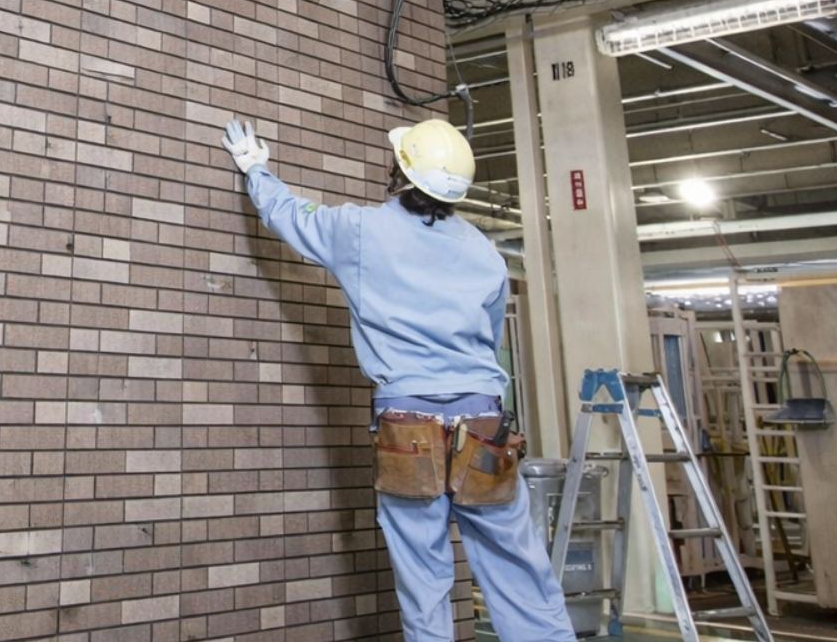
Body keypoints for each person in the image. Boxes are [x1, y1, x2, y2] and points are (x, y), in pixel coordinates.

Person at [221, 117, 574, 642]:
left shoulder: (360, 231)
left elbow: (290, 215)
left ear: (400, 172)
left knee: (422, 572)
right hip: (483, 422)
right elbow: (490, 334)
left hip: (409, 424)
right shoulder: (484, 252)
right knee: (517, 567)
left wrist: (256, 169)